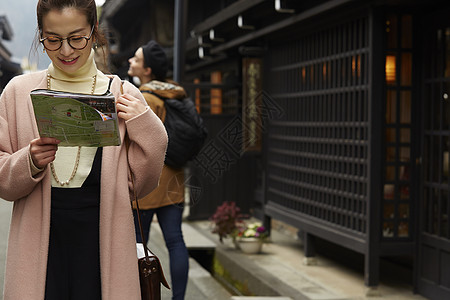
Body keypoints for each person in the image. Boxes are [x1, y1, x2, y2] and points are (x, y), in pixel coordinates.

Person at [0, 0, 168, 299]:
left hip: (102, 237)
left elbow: (140, 185)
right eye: (53, 39)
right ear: (41, 35)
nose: (65, 50)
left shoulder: (121, 94)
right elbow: (3, 180)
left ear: (94, 32)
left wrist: (146, 125)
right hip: (39, 239)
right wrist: (29, 161)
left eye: (77, 38)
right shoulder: (17, 92)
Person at [128, 40, 189, 300]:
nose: (131, 60)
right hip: (174, 180)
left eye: (137, 59)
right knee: (175, 241)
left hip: (147, 182)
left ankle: (141, 295)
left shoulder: (143, 98)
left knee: (138, 245)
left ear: (148, 70)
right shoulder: (176, 93)